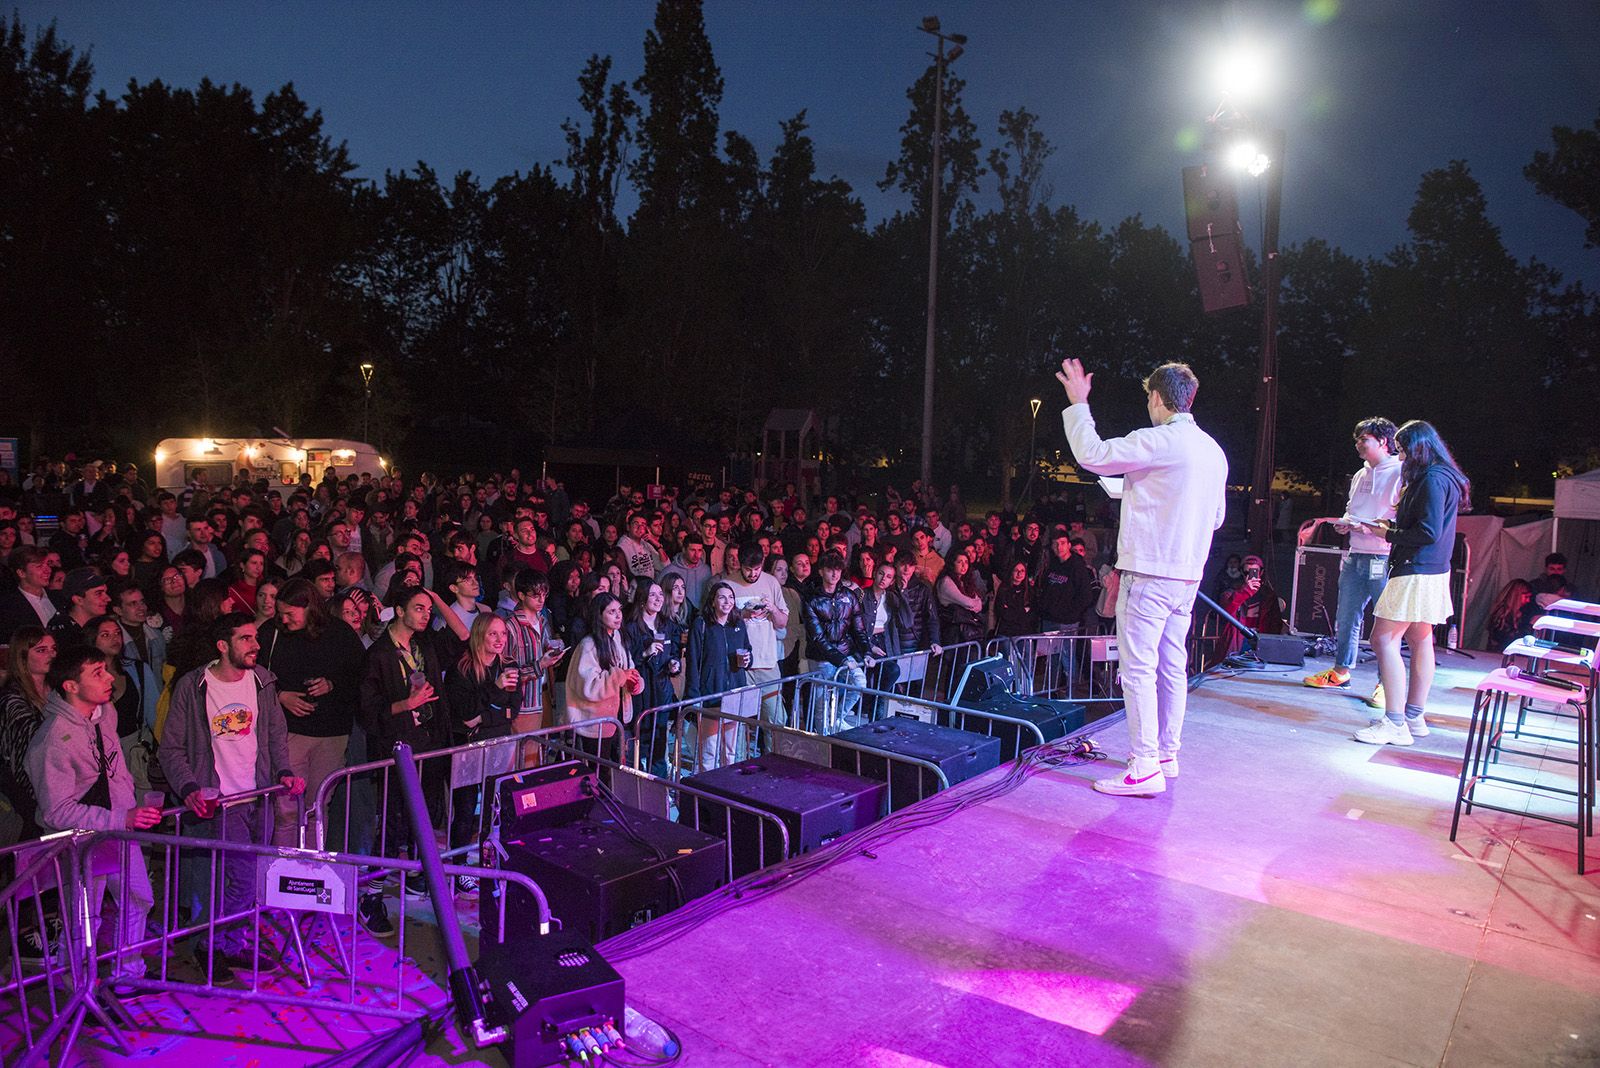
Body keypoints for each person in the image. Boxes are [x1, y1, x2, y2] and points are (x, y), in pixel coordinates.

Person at [1057, 358, 1227, 796]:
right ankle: (1166, 754)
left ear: (1156, 397)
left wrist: (1079, 404)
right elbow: (1216, 518)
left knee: (1136, 669)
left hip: (1150, 574)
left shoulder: (1158, 439)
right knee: (1172, 665)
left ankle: (1144, 764)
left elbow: (1093, 455)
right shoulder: (1212, 450)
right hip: (1188, 576)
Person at [159, 613, 303, 976]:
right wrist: (190, 788)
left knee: (247, 877)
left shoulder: (262, 682)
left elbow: (274, 735)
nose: (255, 645)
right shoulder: (194, 687)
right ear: (223, 646)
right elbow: (171, 748)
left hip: (260, 796)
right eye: (246, 639)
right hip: (221, 803)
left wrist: (282, 771)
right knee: (238, 876)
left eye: (255, 638)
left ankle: (230, 944)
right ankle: (210, 946)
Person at [26, 646, 163, 981]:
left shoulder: (106, 714)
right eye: (97, 672)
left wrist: (126, 813)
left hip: (118, 829)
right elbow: (57, 811)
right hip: (82, 840)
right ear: (71, 686)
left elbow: (114, 772)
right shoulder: (53, 739)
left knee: (137, 898)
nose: (110, 678)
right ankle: (77, 987)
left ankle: (129, 974)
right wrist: (122, 818)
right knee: (84, 919)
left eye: (106, 669)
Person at [1350, 420, 1469, 746]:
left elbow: (1427, 532)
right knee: (1420, 639)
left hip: (1415, 570)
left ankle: (1395, 722)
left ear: (1418, 448)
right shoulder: (1443, 477)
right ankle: (1414, 717)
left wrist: (1388, 533)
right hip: (1432, 570)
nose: (1400, 458)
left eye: (1402, 451)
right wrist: (1392, 525)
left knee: (1383, 639)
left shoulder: (1430, 479)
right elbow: (1429, 527)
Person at [257, 578, 367, 847]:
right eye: (280, 613)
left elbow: (361, 677)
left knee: (318, 804)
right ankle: (283, 869)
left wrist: (332, 684)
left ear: (307, 607)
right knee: (286, 808)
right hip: (289, 732)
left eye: (289, 614)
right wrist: (280, 695)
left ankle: (312, 869)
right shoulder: (272, 633)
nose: (283, 619)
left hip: (331, 733)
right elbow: (255, 677)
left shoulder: (340, 633)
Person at [1303, 418, 1404, 705]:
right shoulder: (1361, 474)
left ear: (1384, 442)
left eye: (1365, 439)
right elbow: (1352, 509)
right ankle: (1341, 671)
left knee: (1386, 622)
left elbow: (1400, 518)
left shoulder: (1399, 471)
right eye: (1358, 439)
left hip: (1383, 556)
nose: (1359, 444)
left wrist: (1370, 526)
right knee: (1346, 616)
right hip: (1356, 554)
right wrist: (1346, 524)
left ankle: (1387, 684)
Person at [724, 537, 790, 733]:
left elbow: (782, 622)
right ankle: (739, 762)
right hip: (738, 665)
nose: (752, 574)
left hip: (767, 663)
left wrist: (773, 609)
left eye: (756, 569)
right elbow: (720, 623)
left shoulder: (771, 582)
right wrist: (742, 614)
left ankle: (775, 760)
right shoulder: (728, 584)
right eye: (748, 570)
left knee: (776, 720)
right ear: (740, 564)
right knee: (736, 724)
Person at [563, 592, 639, 757]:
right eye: (611, 612)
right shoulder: (588, 645)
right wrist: (620, 676)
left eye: (619, 610)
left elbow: (629, 667)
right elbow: (589, 687)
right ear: (599, 615)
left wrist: (634, 681)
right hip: (596, 720)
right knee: (600, 769)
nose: (618, 615)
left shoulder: (619, 638)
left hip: (618, 716)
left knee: (616, 766)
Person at [685, 582, 751, 770]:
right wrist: (694, 696)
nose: (727, 601)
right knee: (709, 751)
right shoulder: (701, 624)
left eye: (731, 597)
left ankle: (726, 790)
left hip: (734, 694)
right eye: (722, 597)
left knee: (730, 751)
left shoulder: (738, 624)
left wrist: (748, 659)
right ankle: (708, 794)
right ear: (713, 600)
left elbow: (748, 649)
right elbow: (693, 661)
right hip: (711, 695)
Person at [624, 581, 683, 777]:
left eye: (660, 595)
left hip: (661, 690)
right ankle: (635, 788)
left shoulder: (667, 625)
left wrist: (674, 664)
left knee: (659, 746)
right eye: (652, 595)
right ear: (642, 600)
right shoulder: (631, 627)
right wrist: (644, 653)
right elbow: (626, 661)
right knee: (637, 742)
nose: (659, 599)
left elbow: (674, 653)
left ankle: (660, 789)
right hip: (640, 693)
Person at [1485, 578, 1537, 651]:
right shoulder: (1501, 614)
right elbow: (1507, 639)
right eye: (1526, 597)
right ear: (1516, 596)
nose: (1528, 600)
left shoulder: (1522, 612)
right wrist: (1529, 626)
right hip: (1498, 654)